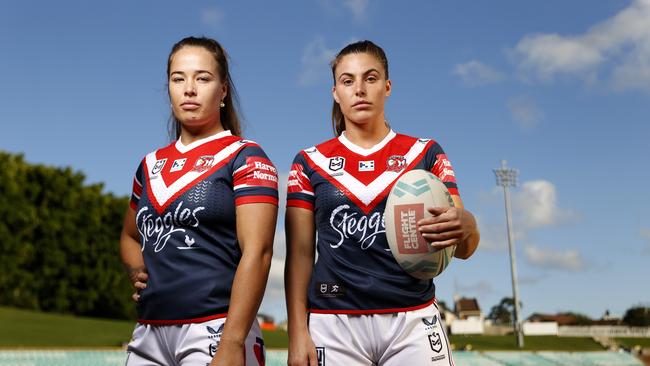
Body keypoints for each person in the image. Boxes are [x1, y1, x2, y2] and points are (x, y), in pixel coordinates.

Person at [285, 40, 480, 366]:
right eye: (348, 81)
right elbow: (300, 254)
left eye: (370, 78)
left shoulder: (425, 152)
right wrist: (297, 333)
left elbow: (464, 248)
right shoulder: (309, 162)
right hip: (333, 319)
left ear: (387, 87)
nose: (359, 89)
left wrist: (468, 224)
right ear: (336, 92)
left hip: (412, 319)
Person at [120, 36, 278, 366]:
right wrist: (137, 268)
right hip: (149, 331)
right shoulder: (149, 165)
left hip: (216, 327)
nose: (189, 89)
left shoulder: (245, 156)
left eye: (202, 78)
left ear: (222, 91)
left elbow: (259, 252)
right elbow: (130, 235)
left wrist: (233, 342)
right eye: (179, 78)